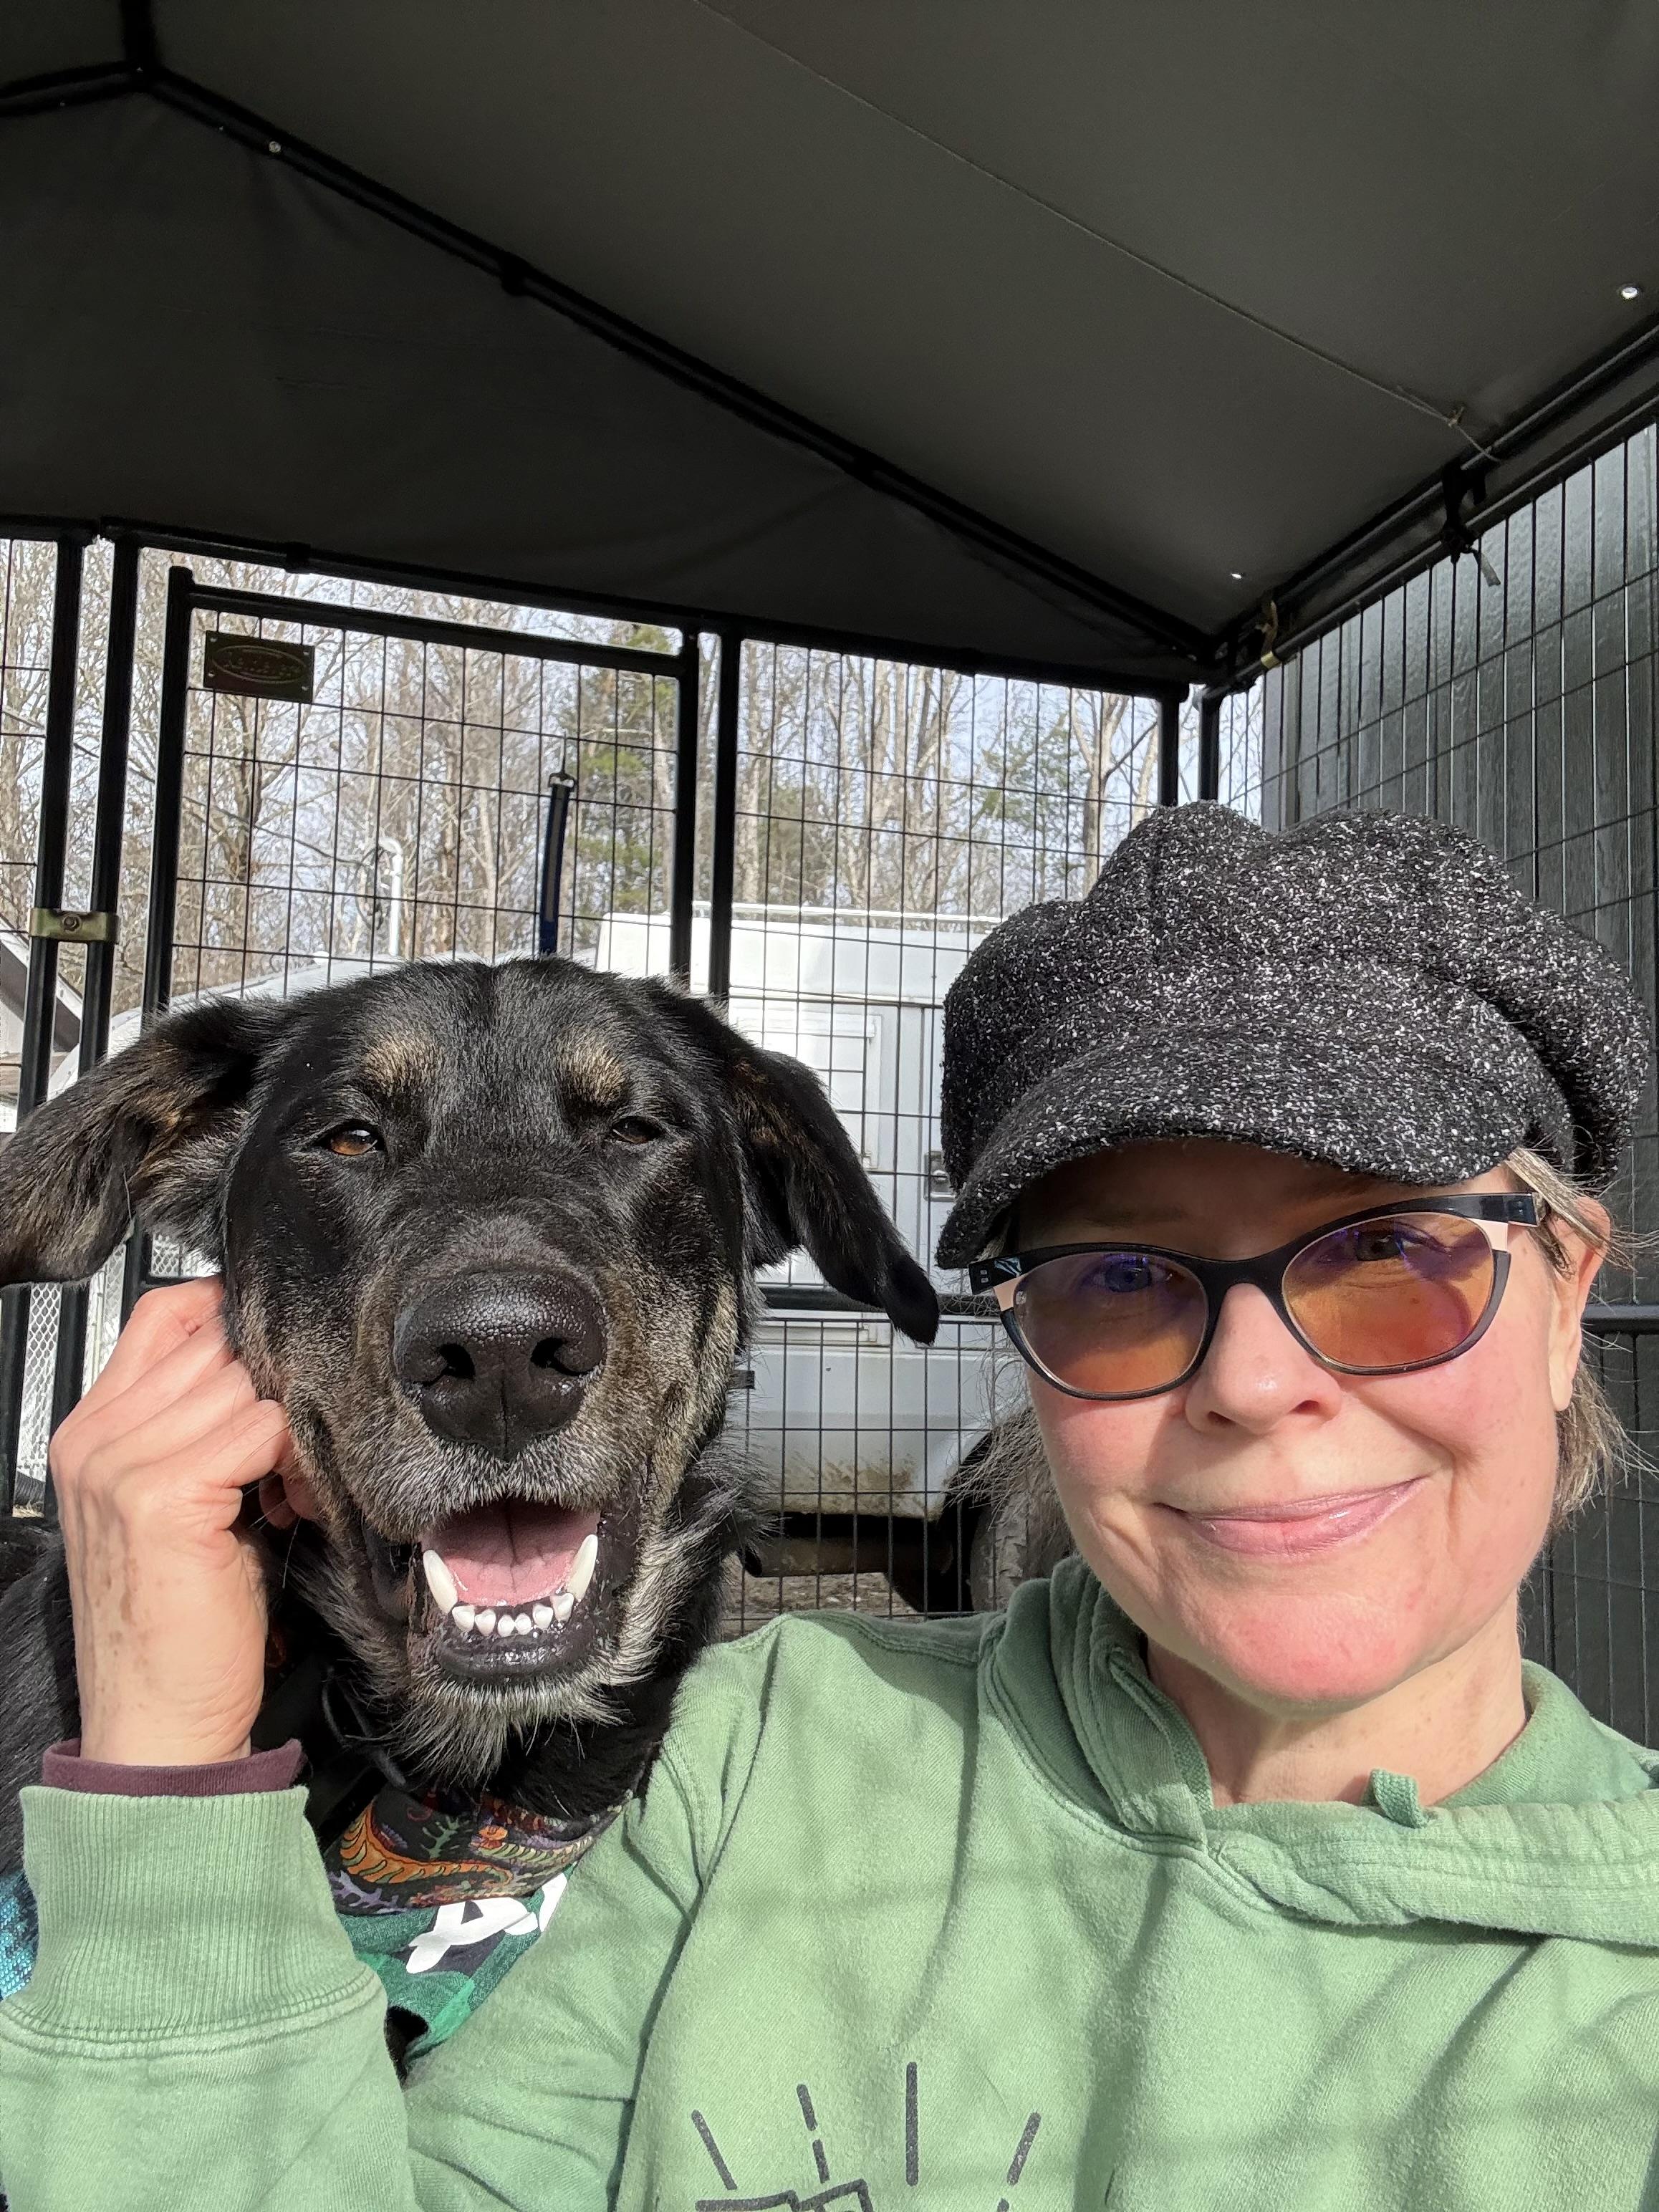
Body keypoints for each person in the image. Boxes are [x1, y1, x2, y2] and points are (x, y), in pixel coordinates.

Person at [1, 800, 1656, 2212]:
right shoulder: (749, 1757)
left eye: (1386, 1256)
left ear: (1572, 1283)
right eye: (1122, 1276)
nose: (1255, 1380)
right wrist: (164, 1779)